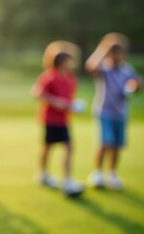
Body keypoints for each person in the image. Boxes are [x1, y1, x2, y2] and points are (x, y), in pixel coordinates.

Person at [86, 33, 141, 190]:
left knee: (117, 145)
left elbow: (137, 84)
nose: (117, 56)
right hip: (104, 112)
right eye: (113, 52)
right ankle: (97, 174)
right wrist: (104, 47)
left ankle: (112, 174)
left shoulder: (127, 69)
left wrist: (135, 87)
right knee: (105, 143)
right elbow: (91, 66)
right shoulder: (104, 68)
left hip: (121, 113)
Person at [32, 46, 85, 197]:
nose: (72, 63)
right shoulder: (50, 76)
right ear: (62, 62)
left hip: (64, 120)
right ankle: (43, 174)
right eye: (70, 60)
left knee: (69, 147)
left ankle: (67, 180)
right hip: (50, 119)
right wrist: (55, 101)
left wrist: (73, 106)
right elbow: (37, 92)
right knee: (48, 147)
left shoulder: (70, 78)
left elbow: (68, 100)